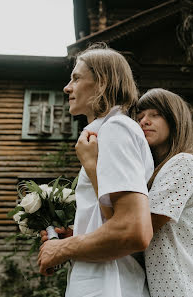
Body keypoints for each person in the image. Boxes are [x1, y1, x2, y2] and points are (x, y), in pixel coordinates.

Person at [76, 88, 193, 297]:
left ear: (175, 119)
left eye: (155, 114)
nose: (144, 121)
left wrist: (92, 166)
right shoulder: (154, 174)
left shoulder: (184, 163)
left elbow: (129, 230)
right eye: (140, 116)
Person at [37, 44, 154, 297]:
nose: (67, 87)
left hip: (109, 283)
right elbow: (115, 218)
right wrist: (76, 232)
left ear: (102, 83)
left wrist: (62, 249)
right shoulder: (106, 132)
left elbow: (133, 230)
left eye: (76, 78)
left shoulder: (116, 130)